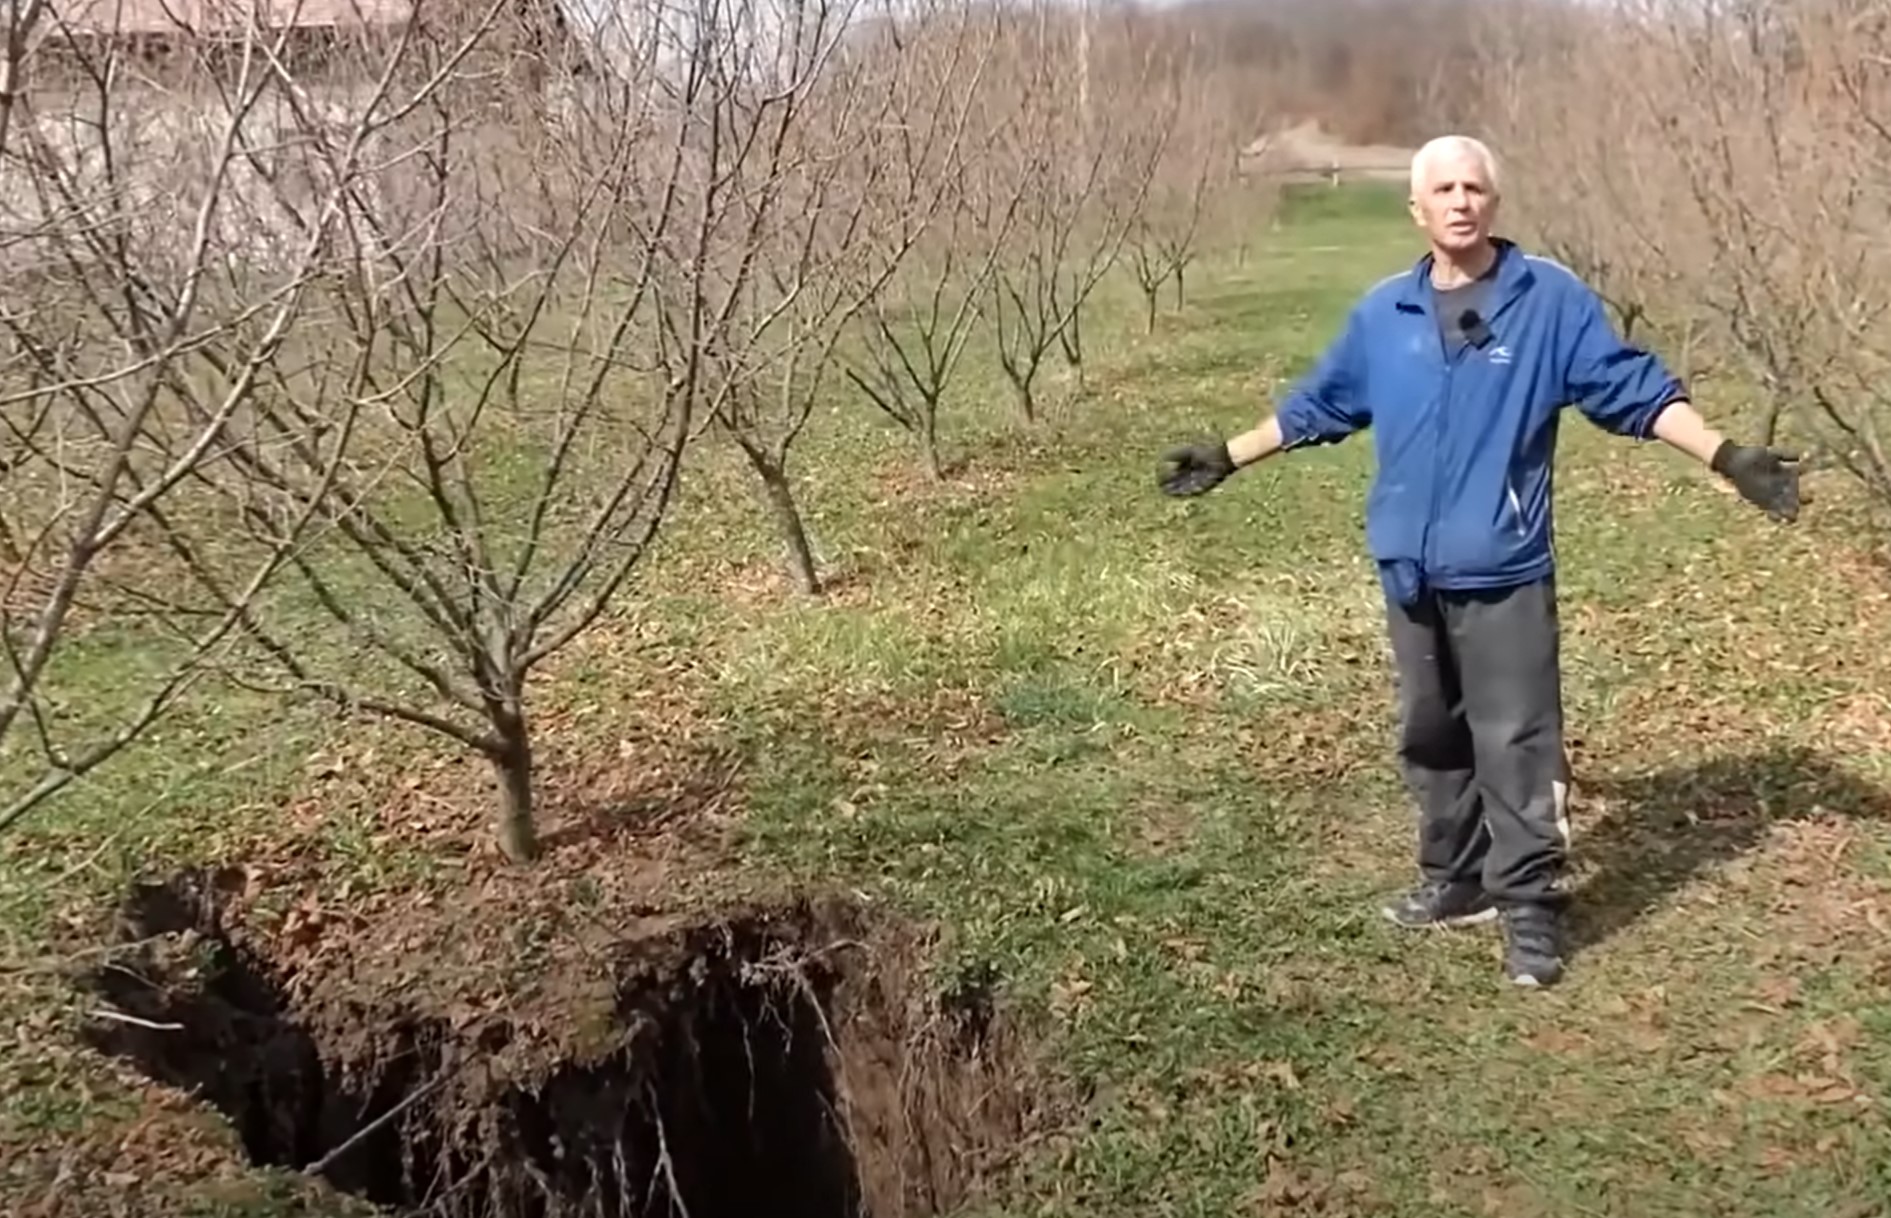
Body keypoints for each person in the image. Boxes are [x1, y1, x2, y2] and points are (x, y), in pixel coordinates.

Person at [1155, 135, 1800, 988]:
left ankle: (1528, 903)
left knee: (1517, 738)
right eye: (1442, 189)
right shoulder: (1384, 314)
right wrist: (1228, 456)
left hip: (1502, 567)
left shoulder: (1547, 302)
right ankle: (1455, 879)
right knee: (1430, 734)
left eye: (1474, 188)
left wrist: (1725, 457)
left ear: (1492, 203)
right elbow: (1321, 406)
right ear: (1415, 209)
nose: (1459, 201)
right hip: (1408, 570)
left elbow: (1631, 390)